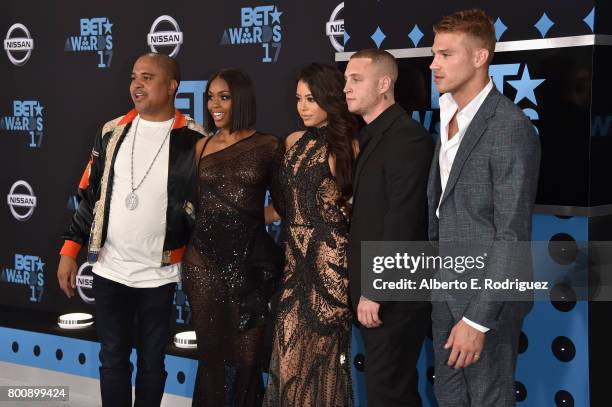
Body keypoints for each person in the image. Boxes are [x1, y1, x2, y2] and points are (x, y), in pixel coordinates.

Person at [56, 52, 204, 406]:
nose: (137, 84)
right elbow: (89, 196)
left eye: (147, 77)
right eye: (134, 77)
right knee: (112, 360)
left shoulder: (195, 138)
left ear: (172, 87)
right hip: (109, 269)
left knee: (153, 363)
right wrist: (69, 252)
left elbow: (204, 208)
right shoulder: (111, 131)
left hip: (160, 274)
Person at [428, 9, 540, 406]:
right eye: (434, 54)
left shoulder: (509, 127)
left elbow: (512, 234)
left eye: (445, 54)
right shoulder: (446, 118)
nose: (433, 64)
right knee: (449, 398)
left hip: (486, 302)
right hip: (444, 289)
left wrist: (478, 319)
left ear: (480, 57)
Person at [182, 68, 283, 407]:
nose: (214, 104)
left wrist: (252, 220)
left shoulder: (268, 146)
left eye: (223, 97)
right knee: (211, 356)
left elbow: (282, 206)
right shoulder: (202, 146)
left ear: (240, 99)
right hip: (203, 263)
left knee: (247, 358)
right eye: (210, 97)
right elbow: (194, 204)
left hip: (248, 265)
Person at [263, 63, 357, 406]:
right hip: (294, 263)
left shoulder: (346, 147)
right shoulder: (293, 141)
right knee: (288, 362)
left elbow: (352, 211)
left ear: (331, 100)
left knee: (325, 364)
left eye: (311, 99)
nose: (302, 106)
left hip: (328, 267)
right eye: (299, 98)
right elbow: (285, 206)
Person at [344, 49, 433, 407]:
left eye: (355, 79)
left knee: (388, 392)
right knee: (387, 389)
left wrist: (376, 289)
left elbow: (404, 219)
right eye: (346, 79)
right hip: (378, 292)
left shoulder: (407, 138)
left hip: (392, 295)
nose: (346, 88)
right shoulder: (371, 135)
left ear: (384, 84)